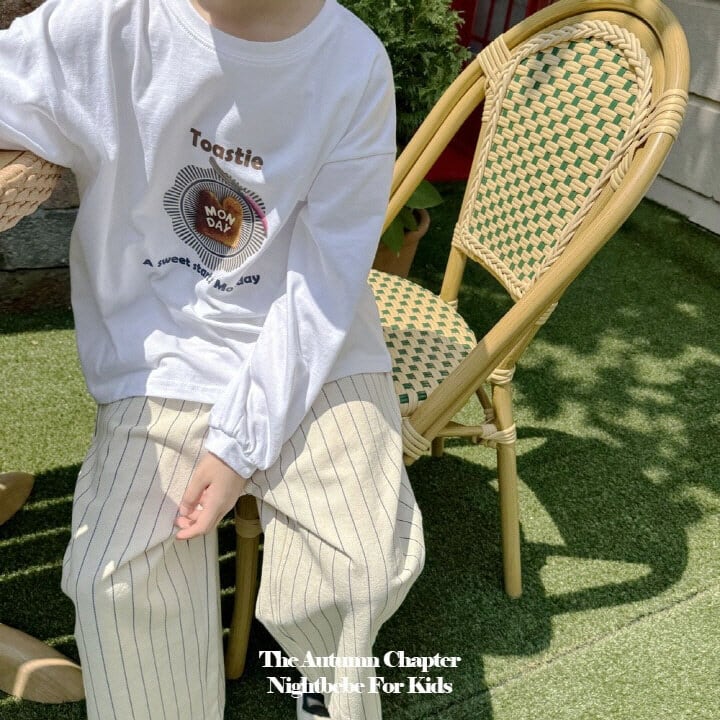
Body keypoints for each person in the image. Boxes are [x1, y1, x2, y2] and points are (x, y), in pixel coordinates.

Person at [0, 0, 426, 719]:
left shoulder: (353, 63)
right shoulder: (106, 23)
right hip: (162, 349)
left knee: (359, 565)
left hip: (315, 343)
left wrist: (238, 444)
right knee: (119, 582)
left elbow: (325, 282)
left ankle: (324, 689)